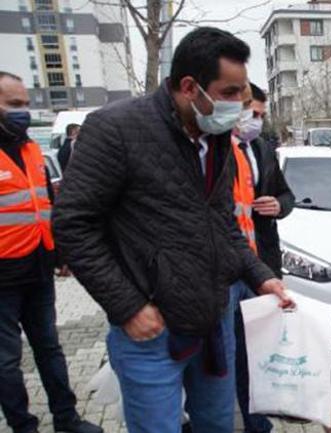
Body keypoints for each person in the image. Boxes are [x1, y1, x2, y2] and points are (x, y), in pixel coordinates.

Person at [52, 28, 293, 433]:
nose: (240, 106)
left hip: (214, 322)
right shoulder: (115, 129)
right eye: (230, 93)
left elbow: (223, 224)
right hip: (150, 331)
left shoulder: (216, 139)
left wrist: (261, 277)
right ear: (189, 86)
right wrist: (127, 306)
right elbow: (73, 224)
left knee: (217, 425)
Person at [0, 72, 102, 433]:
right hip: (3, 279)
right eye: (14, 105)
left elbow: (47, 207)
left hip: (38, 269)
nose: (23, 111)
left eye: (25, 104)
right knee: (6, 362)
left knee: (50, 349)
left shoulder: (31, 152)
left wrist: (60, 255)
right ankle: (23, 426)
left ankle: (66, 418)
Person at [230, 82, 295, 433]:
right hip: (228, 267)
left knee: (258, 348)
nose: (256, 120)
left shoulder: (263, 148)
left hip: (263, 261)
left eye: (260, 115)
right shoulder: (216, 150)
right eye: (251, 113)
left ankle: (257, 420)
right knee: (232, 351)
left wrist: (278, 206)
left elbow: (286, 194)